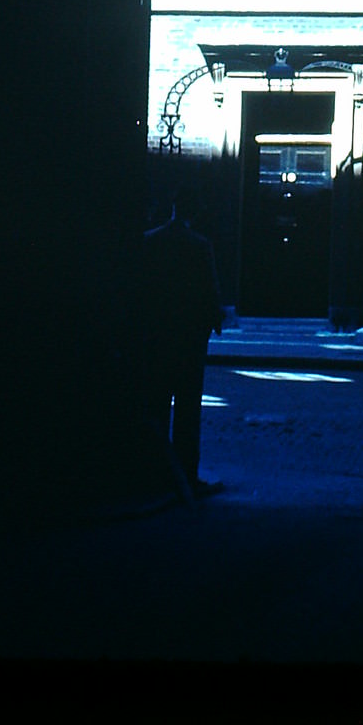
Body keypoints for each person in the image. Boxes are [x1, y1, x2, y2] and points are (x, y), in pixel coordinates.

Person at [141, 197, 225, 500]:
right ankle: (187, 473)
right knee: (189, 409)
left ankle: (157, 471)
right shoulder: (200, 246)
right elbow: (209, 289)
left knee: (158, 403)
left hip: (159, 336)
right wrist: (214, 322)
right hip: (189, 339)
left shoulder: (150, 242)